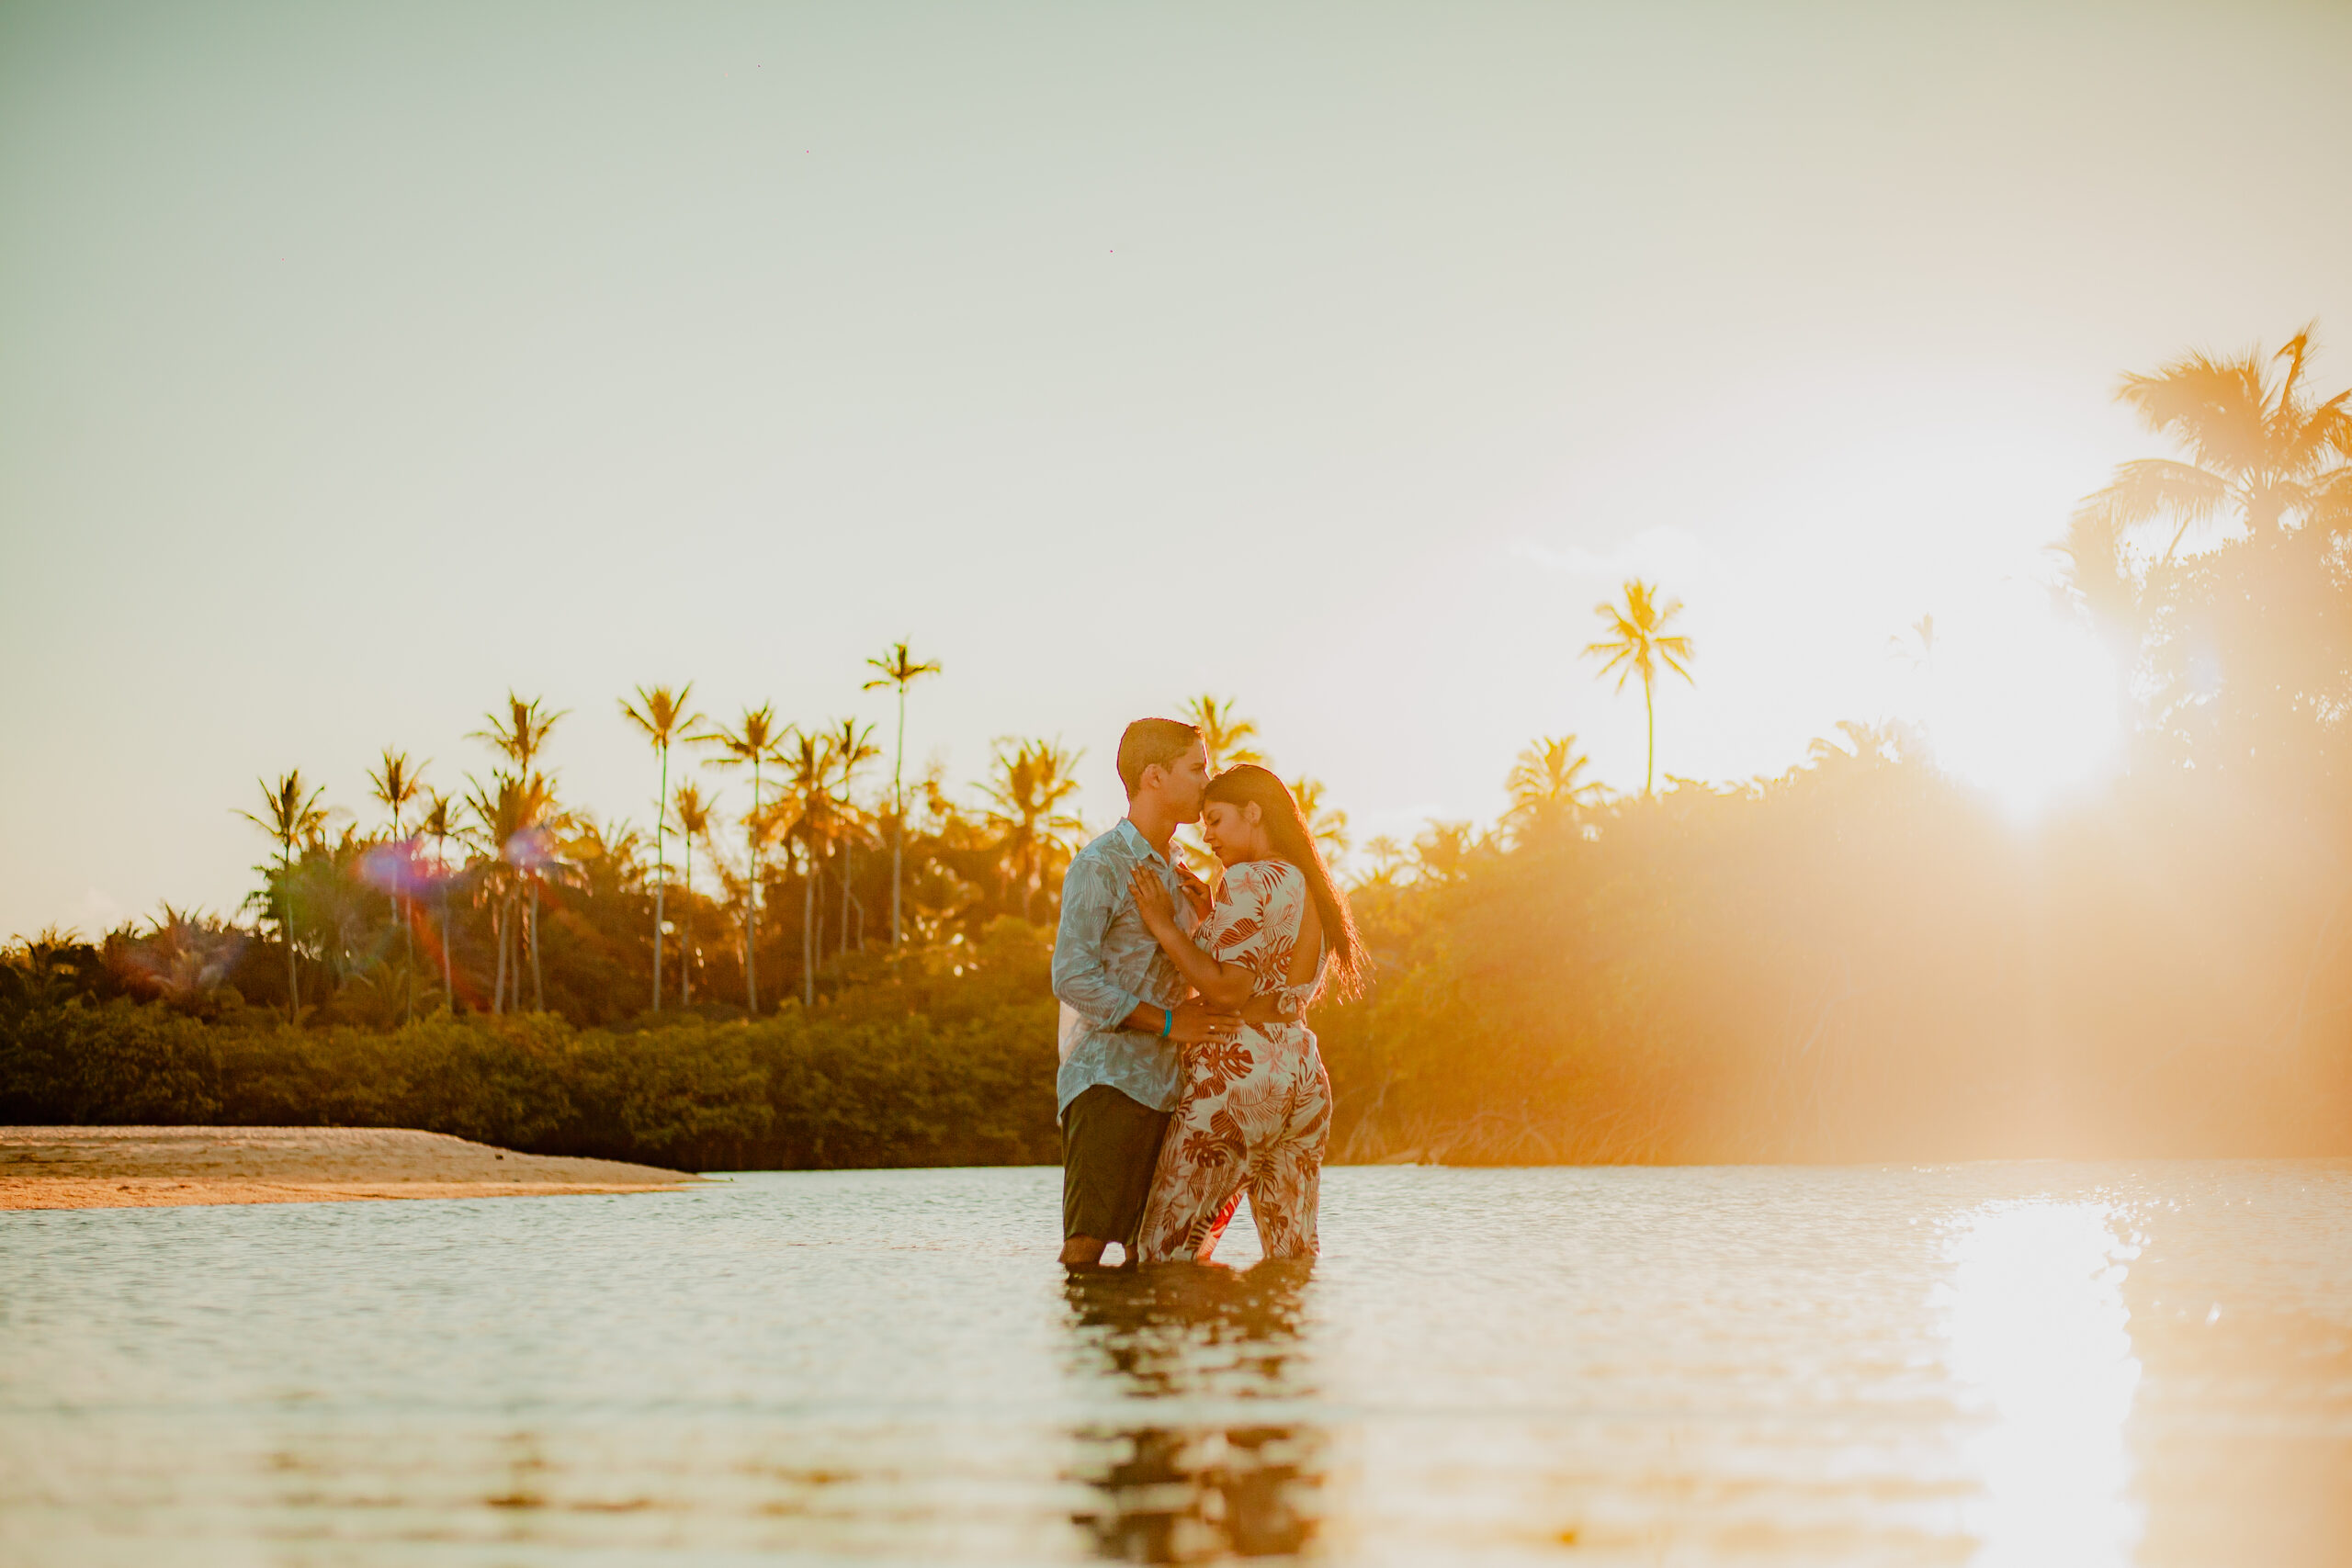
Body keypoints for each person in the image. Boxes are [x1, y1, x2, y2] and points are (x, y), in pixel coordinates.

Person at [1052, 718, 1290, 1268]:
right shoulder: (1100, 864)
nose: (1207, 782)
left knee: (1153, 1253)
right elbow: (1072, 977)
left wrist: (1205, 920)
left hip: (1172, 1089)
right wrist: (1165, 1023)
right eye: (1196, 768)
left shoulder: (1183, 870)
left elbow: (1201, 969)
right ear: (1154, 777)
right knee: (1086, 1248)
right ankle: (1090, 1353)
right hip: (1108, 1081)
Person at [1126, 764, 1366, 1264]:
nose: (1207, 835)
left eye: (1215, 820)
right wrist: (1213, 913)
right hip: (1300, 1070)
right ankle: (1274, 1342)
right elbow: (1271, 971)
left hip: (1238, 1072)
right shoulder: (1312, 885)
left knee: (1163, 1252)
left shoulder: (1247, 878)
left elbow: (1228, 988)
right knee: (1292, 1254)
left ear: (1253, 813)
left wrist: (1162, 923)